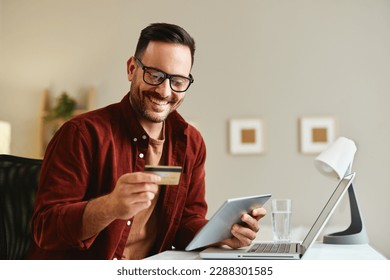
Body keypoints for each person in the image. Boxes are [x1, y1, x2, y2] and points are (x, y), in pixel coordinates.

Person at [27, 23, 266, 260]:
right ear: (132, 69)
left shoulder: (190, 142)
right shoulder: (81, 134)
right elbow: (45, 229)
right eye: (155, 75)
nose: (164, 91)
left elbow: (184, 223)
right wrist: (110, 207)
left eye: (178, 81)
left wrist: (221, 234)